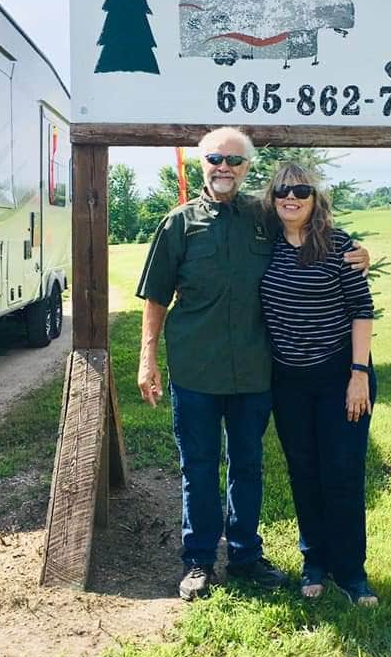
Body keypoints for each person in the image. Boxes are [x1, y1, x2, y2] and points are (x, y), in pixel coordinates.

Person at [136, 127, 368, 601]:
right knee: (198, 466)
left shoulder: (261, 217)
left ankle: (244, 556)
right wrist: (148, 358)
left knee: (247, 466)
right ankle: (199, 560)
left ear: (246, 169)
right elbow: (156, 296)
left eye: (235, 161)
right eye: (216, 159)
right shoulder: (179, 224)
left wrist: (359, 254)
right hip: (196, 371)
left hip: (256, 373)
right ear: (204, 164)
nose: (224, 168)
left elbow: (307, 225)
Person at [260, 161, 378, 606]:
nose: (291, 197)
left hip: (340, 377)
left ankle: (351, 572)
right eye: (283, 191)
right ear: (272, 199)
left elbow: (361, 311)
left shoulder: (339, 246)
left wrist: (359, 375)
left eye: (301, 190)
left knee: (343, 475)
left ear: (315, 198)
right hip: (288, 380)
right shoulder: (264, 245)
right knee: (304, 473)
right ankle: (314, 561)